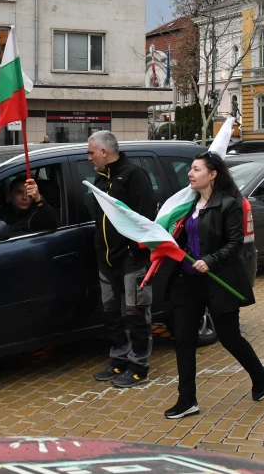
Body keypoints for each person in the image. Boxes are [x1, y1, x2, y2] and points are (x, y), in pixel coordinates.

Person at [163, 152, 264, 419]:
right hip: (187, 280)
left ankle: (258, 373)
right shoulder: (188, 205)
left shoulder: (229, 204)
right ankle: (187, 400)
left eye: (196, 169)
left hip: (218, 280)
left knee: (229, 337)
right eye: (191, 169)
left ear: (212, 175)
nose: (190, 173)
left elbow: (235, 243)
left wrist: (210, 260)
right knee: (184, 340)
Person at [88, 131, 158, 388]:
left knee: (135, 313)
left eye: (91, 152)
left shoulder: (133, 175)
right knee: (111, 313)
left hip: (132, 260)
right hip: (106, 260)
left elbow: (145, 217)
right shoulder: (100, 178)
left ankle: (139, 365)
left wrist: (132, 251)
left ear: (104, 152)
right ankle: (119, 358)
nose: (89, 157)